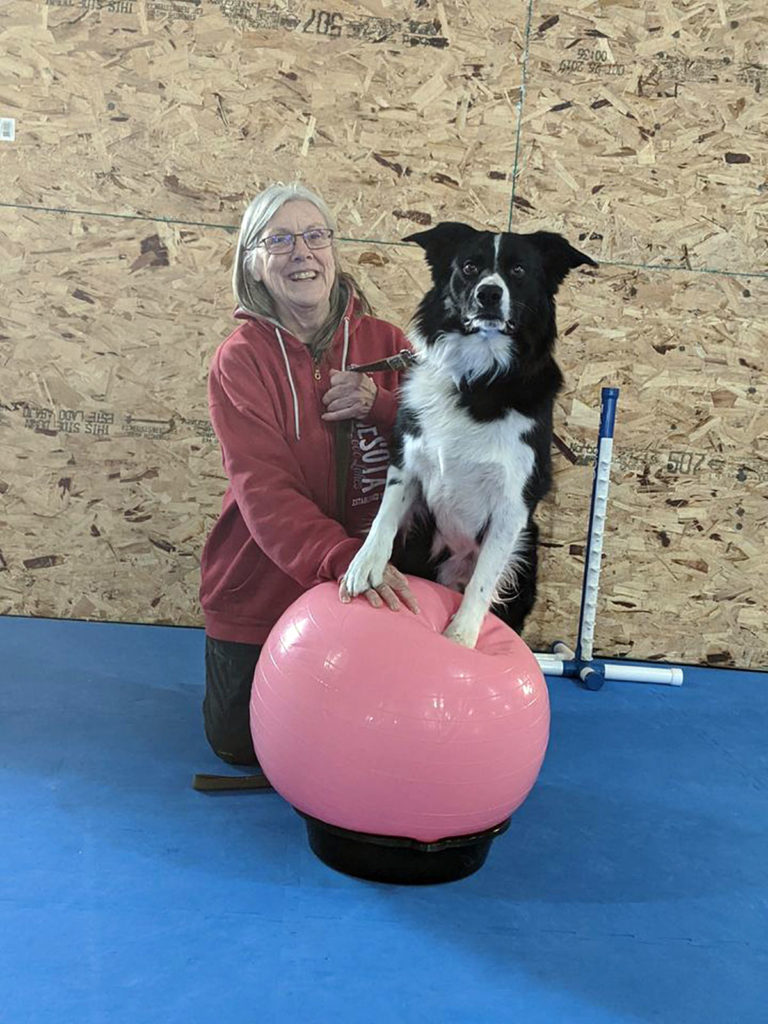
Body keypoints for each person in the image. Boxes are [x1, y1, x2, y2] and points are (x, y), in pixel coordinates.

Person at [199, 182, 419, 769]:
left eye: (315, 235)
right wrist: (347, 558)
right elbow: (264, 490)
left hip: (375, 586)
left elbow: (445, 446)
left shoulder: (389, 344)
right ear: (255, 262)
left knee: (373, 750)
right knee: (240, 750)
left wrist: (382, 406)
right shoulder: (240, 359)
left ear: (334, 250)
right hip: (264, 585)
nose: (303, 252)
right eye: (281, 240)